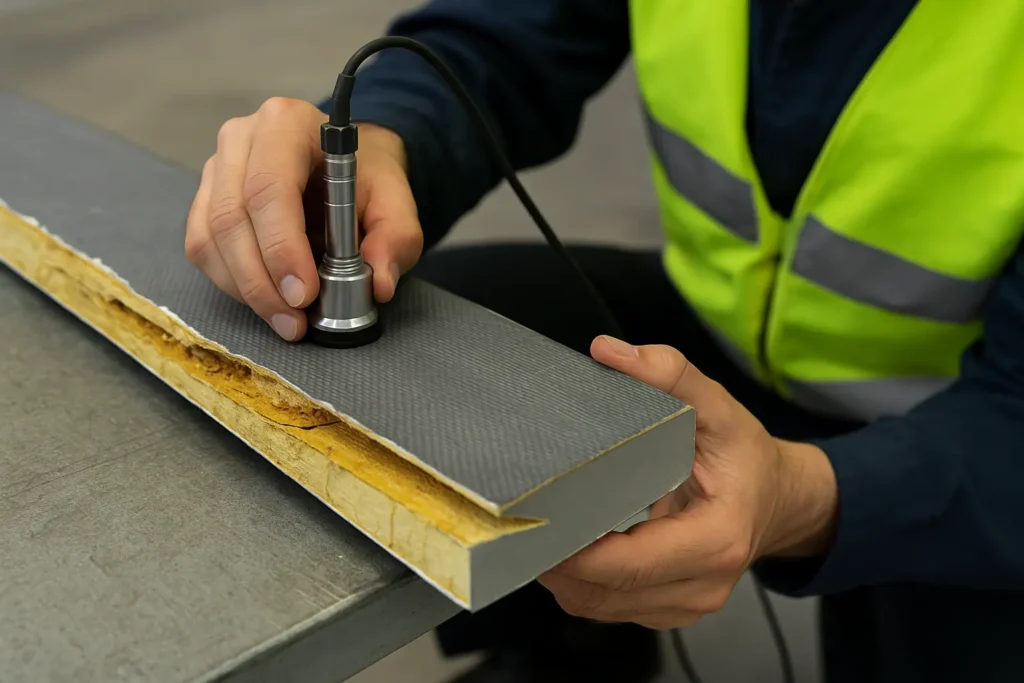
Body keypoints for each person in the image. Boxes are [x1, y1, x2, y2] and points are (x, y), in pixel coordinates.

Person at [184, 1, 1024, 681]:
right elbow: (505, 34)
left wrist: (810, 497)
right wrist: (387, 130)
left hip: (965, 416)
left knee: (953, 599)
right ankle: (572, 652)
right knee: (451, 330)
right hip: (721, 326)